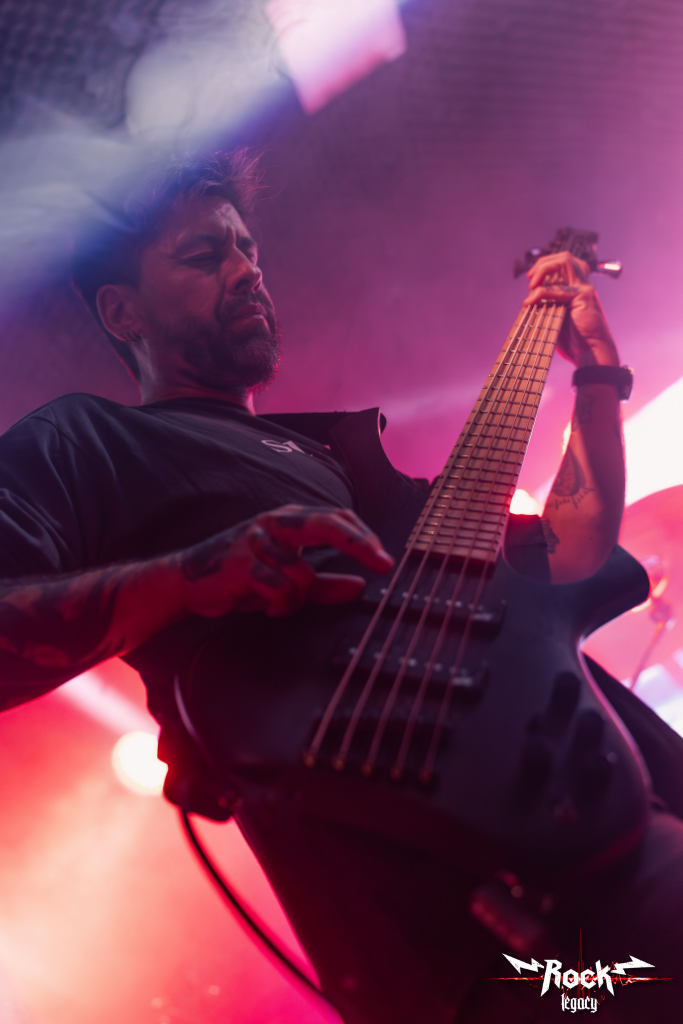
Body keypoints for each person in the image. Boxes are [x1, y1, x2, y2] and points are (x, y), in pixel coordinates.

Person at [0, 152, 681, 1022]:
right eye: (204, 256)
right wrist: (190, 577)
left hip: (618, 799)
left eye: (249, 250)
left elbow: (567, 551)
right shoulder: (87, 441)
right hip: (446, 926)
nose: (246, 271)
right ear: (121, 311)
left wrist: (595, 378)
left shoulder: (343, 463)